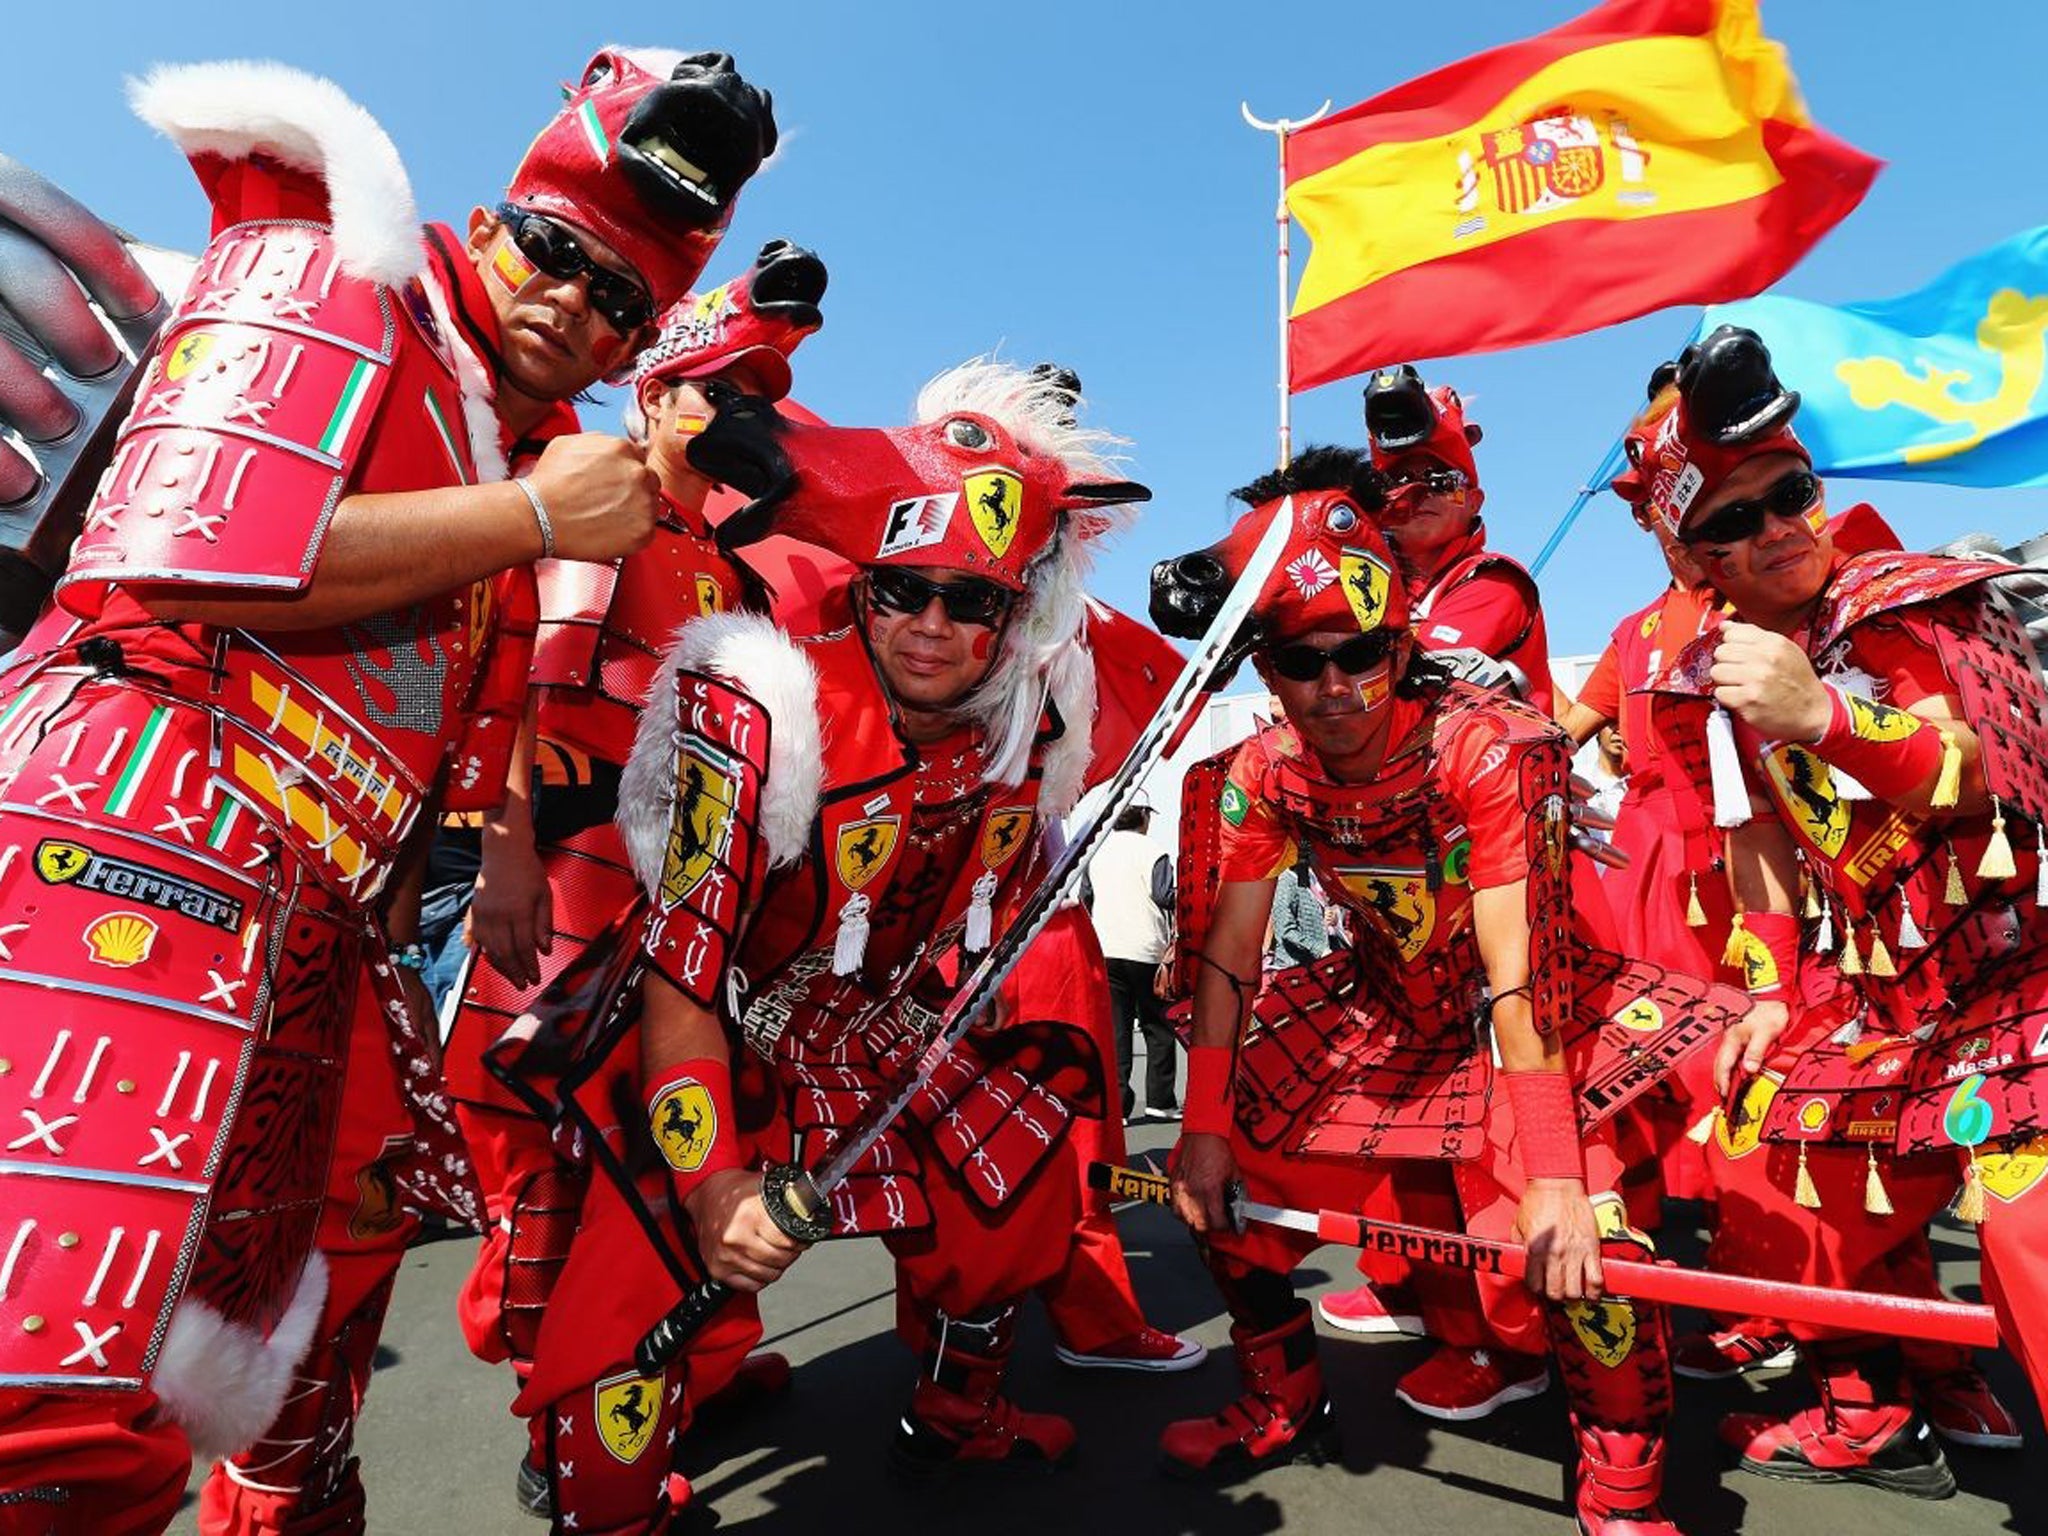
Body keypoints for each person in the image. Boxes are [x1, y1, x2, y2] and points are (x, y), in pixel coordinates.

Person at [0, 49, 776, 1536]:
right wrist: (537, 515)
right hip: (136, 834)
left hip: (317, 923)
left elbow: (455, 714)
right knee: (54, 1402)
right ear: (492, 222)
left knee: (298, 1352)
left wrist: (493, 853)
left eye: (621, 298)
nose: (578, 304)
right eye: (557, 253)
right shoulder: (334, 269)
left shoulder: (505, 432)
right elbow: (180, 548)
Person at [518, 359, 1153, 1488]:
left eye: (975, 602)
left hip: (880, 1026)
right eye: (902, 588)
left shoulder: (1035, 725)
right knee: (634, 1272)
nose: (930, 626)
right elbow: (683, 968)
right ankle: (606, 1479)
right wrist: (715, 1182)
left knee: (1017, 1165)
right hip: (717, 1021)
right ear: (862, 578)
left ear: (1018, 617)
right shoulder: (756, 700)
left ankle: (960, 1403)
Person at [1146, 447, 1747, 1534]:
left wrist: (1557, 1173)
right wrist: (1197, 1127)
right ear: (1260, 665)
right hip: (1382, 1014)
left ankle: (1620, 1480)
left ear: (1400, 641)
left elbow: (1518, 976)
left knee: (1585, 1242)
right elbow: (1227, 961)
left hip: (1531, 1019)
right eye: (1297, 660)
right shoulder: (1257, 771)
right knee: (1211, 1171)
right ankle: (1284, 1395)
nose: (1333, 688)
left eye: (1361, 655)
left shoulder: (1488, 746)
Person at [1615, 326, 2040, 1495]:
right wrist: (1763, 989)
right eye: (1731, 521)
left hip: (2019, 983)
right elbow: (1753, 844)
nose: (1774, 529)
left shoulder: (1915, 602)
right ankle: (1871, 1402)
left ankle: (1953, 1376)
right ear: (1689, 558)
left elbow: (1982, 772)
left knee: (2026, 1236)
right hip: (1873, 996)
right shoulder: (1701, 676)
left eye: (1788, 494)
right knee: (1759, 1150)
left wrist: (1829, 721)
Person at [443, 240, 826, 1530]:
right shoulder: (601, 499)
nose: (738, 418)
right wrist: (505, 851)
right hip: (574, 887)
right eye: (713, 391)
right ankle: (574, 1445)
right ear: (651, 394)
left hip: (686, 909)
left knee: (695, 1155)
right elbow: (523, 686)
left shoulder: (727, 552)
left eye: (755, 399)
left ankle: (693, 1370)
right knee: (565, 1172)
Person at [1085, 801, 1179, 1118]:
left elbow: (1087, 898)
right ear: (1143, 817)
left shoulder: (1097, 851)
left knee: (1117, 1028)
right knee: (1158, 1026)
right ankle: (1160, 1101)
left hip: (1106, 947)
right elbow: (1165, 896)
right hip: (1146, 948)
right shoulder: (1152, 850)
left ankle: (1120, 1107)